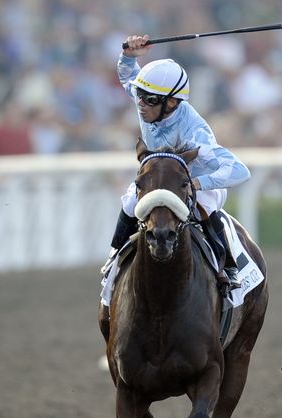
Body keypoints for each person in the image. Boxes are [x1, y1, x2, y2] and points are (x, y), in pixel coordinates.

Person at [102, 34, 251, 288]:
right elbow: (128, 76)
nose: (140, 105)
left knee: (202, 205)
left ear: (171, 102)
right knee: (129, 202)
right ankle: (115, 256)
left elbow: (240, 171)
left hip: (192, 185)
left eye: (148, 100)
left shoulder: (196, 134)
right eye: (139, 96)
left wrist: (197, 182)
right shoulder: (149, 99)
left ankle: (227, 268)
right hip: (159, 179)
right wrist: (128, 54)